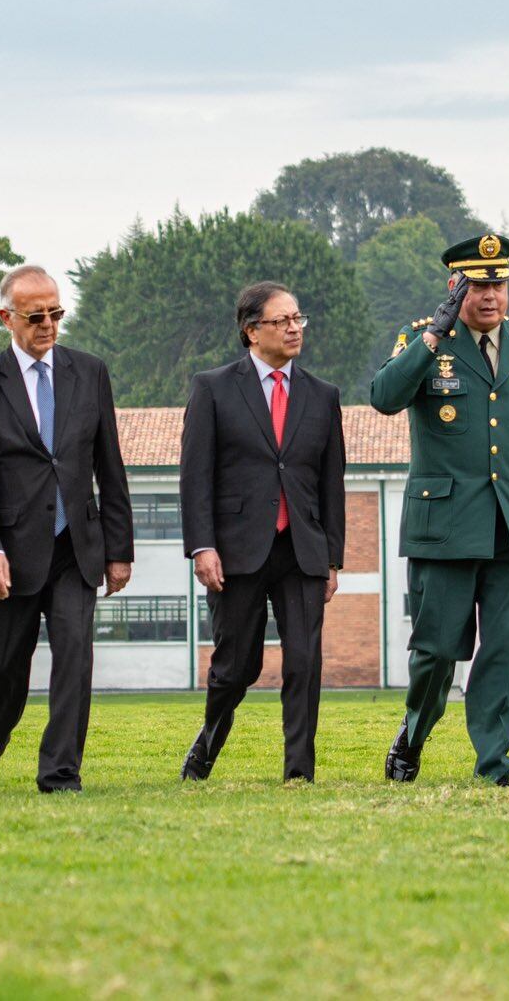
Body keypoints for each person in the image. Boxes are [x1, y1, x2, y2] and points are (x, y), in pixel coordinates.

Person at [370, 233, 509, 787]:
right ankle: (414, 734)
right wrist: (433, 335)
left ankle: (493, 765)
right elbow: (384, 397)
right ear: (455, 287)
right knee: (436, 652)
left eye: (499, 285)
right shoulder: (424, 338)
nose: (490, 296)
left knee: (505, 652)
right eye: (478, 286)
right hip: (446, 528)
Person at [0, 264, 134, 793]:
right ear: (6, 317)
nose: (49, 325)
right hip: (9, 555)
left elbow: (110, 464)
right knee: (2, 672)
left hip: (76, 548)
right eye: (36, 317)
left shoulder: (90, 372)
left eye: (56, 313)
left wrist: (118, 548)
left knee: (75, 659)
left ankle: (60, 774)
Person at [178, 281, 347, 783]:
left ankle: (299, 772)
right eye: (282, 321)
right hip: (236, 551)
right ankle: (206, 747)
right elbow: (195, 476)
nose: (295, 329)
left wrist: (333, 558)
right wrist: (202, 546)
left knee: (304, 662)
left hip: (301, 549)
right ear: (252, 331)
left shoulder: (322, 395)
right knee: (236, 667)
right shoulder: (212, 388)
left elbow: (331, 482)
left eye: (298, 319)